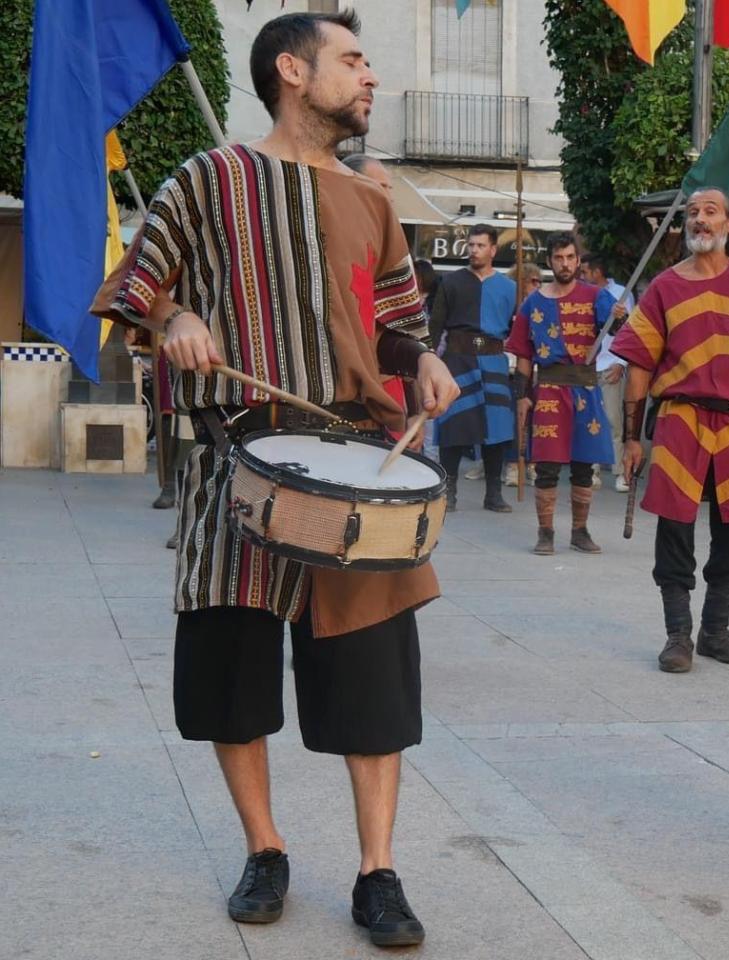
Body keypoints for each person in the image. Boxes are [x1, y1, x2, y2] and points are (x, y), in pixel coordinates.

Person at [90, 10, 460, 947]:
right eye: (352, 60)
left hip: (355, 464)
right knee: (231, 679)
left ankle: (378, 870)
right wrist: (173, 314)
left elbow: (396, 317)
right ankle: (266, 847)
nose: (368, 77)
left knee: (375, 687)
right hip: (237, 460)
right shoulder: (210, 179)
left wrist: (419, 359)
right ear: (292, 71)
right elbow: (135, 285)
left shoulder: (373, 199)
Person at [612, 187, 729, 673]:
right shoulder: (664, 286)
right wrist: (631, 438)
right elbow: (639, 365)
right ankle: (678, 635)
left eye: (710, 212)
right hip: (681, 418)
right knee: (675, 527)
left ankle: (715, 630)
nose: (700, 220)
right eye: (692, 214)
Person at [508, 234, 613, 555]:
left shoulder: (597, 296)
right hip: (550, 390)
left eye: (570, 257)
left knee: (584, 464)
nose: (565, 263)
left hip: (586, 388)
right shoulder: (533, 302)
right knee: (548, 465)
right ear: (550, 261)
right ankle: (546, 532)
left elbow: (621, 332)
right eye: (559, 258)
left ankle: (580, 532)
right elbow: (524, 354)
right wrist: (522, 395)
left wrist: (620, 317)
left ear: (578, 260)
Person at [430, 223, 517, 512]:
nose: (474, 250)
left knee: (497, 428)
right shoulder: (451, 282)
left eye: (480, 245)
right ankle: (448, 490)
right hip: (457, 357)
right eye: (471, 245)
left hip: (494, 359)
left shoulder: (510, 288)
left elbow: (519, 328)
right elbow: (435, 326)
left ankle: (493, 492)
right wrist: (429, 360)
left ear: (493, 249)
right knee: (453, 423)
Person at [585, 253, 634, 492]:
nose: (582, 276)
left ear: (597, 271)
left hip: (610, 366)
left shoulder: (621, 294)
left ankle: (619, 473)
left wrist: (621, 363)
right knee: (590, 421)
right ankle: (590, 470)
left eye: (585, 271)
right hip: (587, 366)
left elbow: (628, 330)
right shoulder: (583, 295)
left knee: (614, 421)